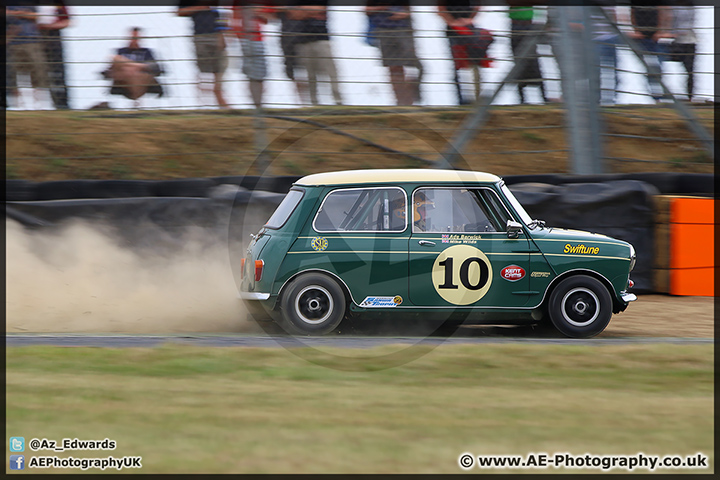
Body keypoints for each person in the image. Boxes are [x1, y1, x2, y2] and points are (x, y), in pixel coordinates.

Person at [284, 1, 343, 106]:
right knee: (309, 75)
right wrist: (310, 11)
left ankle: (338, 101)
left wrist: (303, 10)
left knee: (330, 73)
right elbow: (293, 14)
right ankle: (313, 104)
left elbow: (320, 8)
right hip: (302, 41)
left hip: (322, 39)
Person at [365, 1, 423, 106]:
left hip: (404, 30)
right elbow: (366, 10)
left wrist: (406, 13)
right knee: (394, 68)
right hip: (384, 30)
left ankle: (413, 98)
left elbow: (409, 9)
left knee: (414, 67)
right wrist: (382, 7)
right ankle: (401, 102)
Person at [178, 0, 230, 108]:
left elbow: (220, 12)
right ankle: (204, 104)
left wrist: (223, 33)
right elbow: (179, 11)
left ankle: (220, 98)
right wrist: (200, 7)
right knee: (204, 72)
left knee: (220, 68)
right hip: (201, 36)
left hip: (217, 35)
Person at [437, 1, 490, 105]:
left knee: (475, 63)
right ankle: (461, 99)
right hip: (453, 32)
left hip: (469, 29)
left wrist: (468, 20)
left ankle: (477, 97)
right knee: (457, 65)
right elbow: (440, 9)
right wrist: (452, 22)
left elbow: (478, 6)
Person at [623, 1, 673, 102]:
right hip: (642, 37)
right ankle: (655, 96)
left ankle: (662, 94)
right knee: (649, 67)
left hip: (657, 38)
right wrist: (635, 30)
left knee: (659, 67)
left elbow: (664, 11)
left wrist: (661, 31)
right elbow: (631, 13)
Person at [101, 27, 164, 106]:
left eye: (136, 37)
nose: (134, 40)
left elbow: (154, 68)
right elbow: (112, 66)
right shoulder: (122, 51)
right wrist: (138, 66)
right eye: (132, 37)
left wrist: (129, 67)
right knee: (116, 59)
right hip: (123, 80)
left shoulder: (146, 52)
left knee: (132, 71)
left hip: (141, 80)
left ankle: (133, 69)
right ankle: (135, 67)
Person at [6, 3, 51, 109]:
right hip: (11, 42)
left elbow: (43, 16)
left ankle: (41, 105)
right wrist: (17, 14)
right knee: (13, 75)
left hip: (32, 41)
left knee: (38, 73)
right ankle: (17, 106)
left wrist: (23, 14)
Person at [231, 1, 273, 109]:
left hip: (258, 41)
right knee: (250, 74)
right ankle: (255, 104)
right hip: (244, 41)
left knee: (259, 74)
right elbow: (233, 19)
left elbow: (270, 18)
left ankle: (259, 104)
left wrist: (258, 13)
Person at [508, 5, 547, 104]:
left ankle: (544, 97)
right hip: (516, 25)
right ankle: (522, 99)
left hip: (529, 24)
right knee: (519, 61)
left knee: (533, 60)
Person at [37, 1, 70, 110]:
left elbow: (67, 21)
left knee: (57, 73)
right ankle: (39, 104)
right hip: (33, 36)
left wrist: (49, 26)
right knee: (37, 71)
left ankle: (61, 104)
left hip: (53, 37)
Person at [667, 1, 697, 101]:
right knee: (662, 68)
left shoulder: (690, 6)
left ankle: (689, 97)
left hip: (688, 41)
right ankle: (662, 96)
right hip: (669, 40)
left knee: (690, 71)